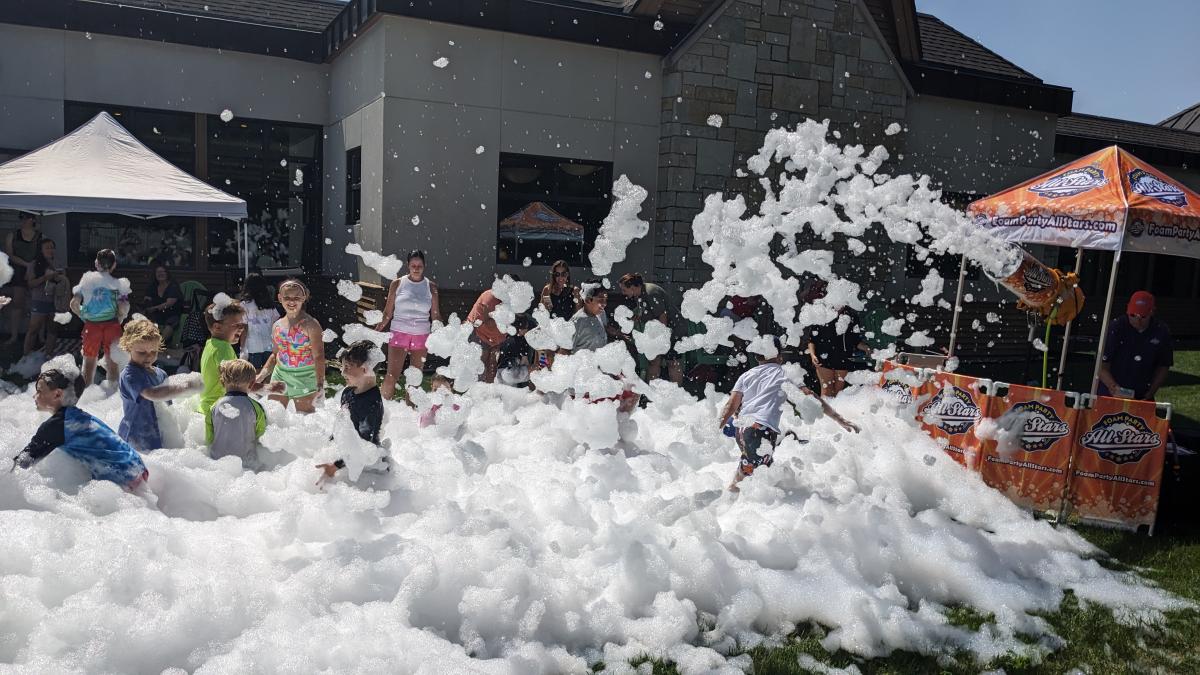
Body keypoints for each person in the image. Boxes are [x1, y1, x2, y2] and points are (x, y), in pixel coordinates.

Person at [717, 337, 859, 492]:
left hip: (742, 430)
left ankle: (732, 502)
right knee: (760, 483)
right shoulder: (784, 373)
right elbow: (811, 397)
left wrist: (714, 428)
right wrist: (840, 419)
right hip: (760, 430)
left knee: (757, 475)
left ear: (757, 356)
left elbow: (731, 406)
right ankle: (734, 505)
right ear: (780, 356)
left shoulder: (746, 376)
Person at [11, 368, 148, 490]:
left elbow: (22, 464)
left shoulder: (56, 426)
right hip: (137, 468)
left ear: (57, 394)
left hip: (123, 479)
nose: (35, 396)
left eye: (39, 391)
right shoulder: (78, 417)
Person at [117, 319, 202, 452]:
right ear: (128, 347)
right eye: (141, 352)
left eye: (153, 351)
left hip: (158, 433)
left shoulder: (160, 373)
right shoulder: (130, 375)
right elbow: (153, 394)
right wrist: (185, 387)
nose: (148, 357)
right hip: (136, 437)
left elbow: (168, 406)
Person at [315, 341, 387, 481]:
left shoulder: (371, 403)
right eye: (342, 367)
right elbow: (341, 427)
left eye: (347, 367)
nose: (342, 372)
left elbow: (364, 446)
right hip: (346, 459)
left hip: (368, 468)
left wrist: (335, 465)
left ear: (365, 369)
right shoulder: (348, 392)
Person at [375, 250, 441, 400]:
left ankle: (410, 416)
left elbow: (436, 315)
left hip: (421, 335)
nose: (416, 268)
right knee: (392, 375)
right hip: (399, 333)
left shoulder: (431, 287)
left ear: (424, 266)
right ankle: (382, 409)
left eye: (419, 266)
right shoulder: (398, 284)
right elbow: (387, 313)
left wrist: (444, 332)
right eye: (413, 265)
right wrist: (377, 330)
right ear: (408, 266)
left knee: (415, 379)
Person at [258, 279, 326, 413]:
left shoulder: (311, 325)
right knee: (274, 418)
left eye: (296, 297)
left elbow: (319, 356)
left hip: (305, 377)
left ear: (304, 298)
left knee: (304, 421)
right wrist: (261, 375)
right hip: (280, 376)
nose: (291, 301)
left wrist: (320, 384)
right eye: (287, 297)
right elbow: (276, 355)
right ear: (279, 298)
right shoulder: (277, 325)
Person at [1098, 290, 1174, 401]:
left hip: (1142, 393)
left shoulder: (1161, 331)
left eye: (1143, 317)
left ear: (1152, 312)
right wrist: (1113, 387)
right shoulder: (1116, 327)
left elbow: (1164, 365)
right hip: (1111, 392)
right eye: (1133, 315)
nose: (1137, 321)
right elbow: (1101, 365)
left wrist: (1151, 391)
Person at [70, 249, 130, 389]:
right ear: (114, 265)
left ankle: (85, 395)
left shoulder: (86, 281)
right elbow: (123, 307)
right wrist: (120, 318)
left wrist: (84, 316)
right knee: (112, 363)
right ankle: (113, 394)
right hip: (112, 325)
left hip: (91, 326)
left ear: (96, 263)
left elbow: (74, 304)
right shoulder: (119, 285)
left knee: (89, 363)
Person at [803, 281, 870, 397]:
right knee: (826, 391)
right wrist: (813, 355)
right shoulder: (822, 314)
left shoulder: (851, 316)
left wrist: (866, 348)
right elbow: (812, 339)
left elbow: (855, 340)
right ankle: (825, 414)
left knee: (838, 393)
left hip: (843, 358)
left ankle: (835, 414)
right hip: (823, 357)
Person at [617, 273, 683, 383]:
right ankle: (651, 393)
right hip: (660, 330)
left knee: (672, 362)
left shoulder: (650, 293)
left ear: (632, 287)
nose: (623, 293)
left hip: (673, 330)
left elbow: (663, 316)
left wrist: (661, 340)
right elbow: (644, 314)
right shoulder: (639, 294)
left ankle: (676, 393)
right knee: (653, 361)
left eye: (624, 290)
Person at [199, 298, 248, 444]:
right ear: (217, 327)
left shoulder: (211, 344)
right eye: (236, 324)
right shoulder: (223, 348)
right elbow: (236, 382)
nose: (241, 328)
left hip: (207, 408)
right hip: (221, 411)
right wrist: (265, 387)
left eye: (242, 323)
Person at [210, 359, 268, 462]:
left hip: (217, 462)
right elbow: (262, 436)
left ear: (222, 382)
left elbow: (209, 437)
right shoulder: (255, 407)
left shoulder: (214, 406)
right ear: (251, 384)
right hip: (246, 463)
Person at [23, 238, 66, 357]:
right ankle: (26, 357)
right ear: (41, 250)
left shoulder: (58, 263)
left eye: (52, 247)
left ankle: (49, 355)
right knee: (34, 329)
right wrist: (45, 278)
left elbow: (64, 283)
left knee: (53, 329)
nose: (50, 250)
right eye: (47, 247)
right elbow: (30, 283)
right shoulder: (34, 264)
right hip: (39, 300)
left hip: (55, 301)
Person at [3, 212, 40, 345]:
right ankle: (14, 336)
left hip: (36, 270)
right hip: (18, 270)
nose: (23, 221)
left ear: (33, 220)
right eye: (21, 218)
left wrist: (31, 268)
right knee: (18, 302)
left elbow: (43, 254)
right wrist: (26, 265)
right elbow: (10, 254)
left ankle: (39, 336)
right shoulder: (12, 236)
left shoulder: (40, 236)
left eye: (26, 218)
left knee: (39, 303)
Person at [536, 260, 580, 368]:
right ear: (553, 275)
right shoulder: (548, 290)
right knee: (544, 362)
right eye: (557, 274)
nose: (560, 278)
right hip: (551, 330)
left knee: (561, 364)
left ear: (568, 274)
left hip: (567, 333)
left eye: (563, 274)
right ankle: (543, 379)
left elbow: (578, 314)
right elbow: (544, 311)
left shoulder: (574, 291)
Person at [239, 273, 279, 370]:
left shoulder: (244, 305)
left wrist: (242, 348)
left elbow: (244, 328)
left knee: (254, 374)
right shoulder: (270, 306)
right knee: (268, 373)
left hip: (253, 346)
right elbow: (276, 326)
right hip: (269, 345)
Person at [467, 286, 505, 383]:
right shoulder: (490, 298)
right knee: (479, 369)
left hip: (496, 339)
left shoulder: (511, 301)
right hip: (479, 334)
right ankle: (475, 393)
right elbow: (479, 322)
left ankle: (488, 394)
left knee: (492, 369)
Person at [141, 264, 183, 344]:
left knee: (170, 323)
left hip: (171, 312)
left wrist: (154, 308)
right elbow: (147, 299)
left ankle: (158, 344)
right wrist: (146, 304)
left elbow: (169, 303)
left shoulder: (173, 286)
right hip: (157, 313)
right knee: (146, 320)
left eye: (163, 272)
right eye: (158, 272)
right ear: (155, 275)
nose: (160, 274)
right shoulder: (153, 286)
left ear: (167, 273)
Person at [571, 282, 610, 353]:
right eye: (601, 299)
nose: (605, 304)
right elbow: (565, 351)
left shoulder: (600, 314)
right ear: (587, 300)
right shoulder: (578, 321)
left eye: (605, 299)